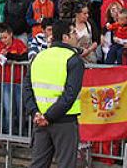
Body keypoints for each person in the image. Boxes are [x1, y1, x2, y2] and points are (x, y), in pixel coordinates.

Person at [23, 19, 84, 168]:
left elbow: (27, 89)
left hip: (40, 119)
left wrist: (36, 113)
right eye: (73, 32)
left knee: (38, 164)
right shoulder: (73, 59)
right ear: (65, 37)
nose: (77, 36)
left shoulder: (39, 57)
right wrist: (47, 116)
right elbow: (70, 95)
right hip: (64, 121)